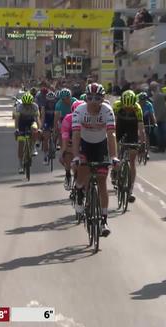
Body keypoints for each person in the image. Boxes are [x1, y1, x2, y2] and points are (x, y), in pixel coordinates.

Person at [72, 83, 117, 237]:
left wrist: (114, 157)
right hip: (84, 144)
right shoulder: (79, 111)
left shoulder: (107, 111)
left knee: (102, 181)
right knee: (83, 174)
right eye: (89, 97)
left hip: (101, 145)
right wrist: (76, 156)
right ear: (85, 98)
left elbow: (111, 135)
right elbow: (76, 135)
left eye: (97, 98)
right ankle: (79, 190)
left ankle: (104, 220)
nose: (93, 101)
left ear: (102, 99)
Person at [111, 90, 145, 203]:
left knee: (132, 160)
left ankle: (130, 190)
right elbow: (113, 125)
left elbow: (141, 128)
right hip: (120, 125)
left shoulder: (137, 108)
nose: (128, 110)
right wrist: (112, 141)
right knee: (115, 145)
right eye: (126, 108)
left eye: (130, 108)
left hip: (132, 127)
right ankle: (115, 169)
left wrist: (143, 143)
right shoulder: (117, 105)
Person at [13, 93, 40, 173]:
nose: (27, 106)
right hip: (22, 122)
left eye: (29, 104)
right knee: (21, 143)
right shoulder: (19, 107)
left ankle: (33, 147)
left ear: (32, 103)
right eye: (25, 104)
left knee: (34, 128)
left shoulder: (35, 106)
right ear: (23, 103)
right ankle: (20, 164)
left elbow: (37, 119)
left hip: (31, 121)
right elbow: (17, 119)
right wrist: (17, 129)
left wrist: (39, 129)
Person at [60, 100, 85, 189]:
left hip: (84, 138)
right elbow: (65, 138)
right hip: (71, 138)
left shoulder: (88, 118)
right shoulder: (67, 119)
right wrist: (63, 151)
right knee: (68, 154)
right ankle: (68, 173)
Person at [40, 91, 57, 165]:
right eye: (49, 101)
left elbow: (57, 117)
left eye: (52, 101)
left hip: (54, 120)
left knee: (56, 134)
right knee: (46, 138)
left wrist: (55, 128)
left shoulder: (56, 106)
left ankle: (54, 145)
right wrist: (41, 127)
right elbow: (43, 117)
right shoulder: (44, 106)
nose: (50, 103)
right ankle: (45, 155)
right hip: (47, 121)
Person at [138, 91, 156, 159]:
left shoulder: (149, 104)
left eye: (144, 100)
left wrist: (154, 123)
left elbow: (152, 115)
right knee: (138, 134)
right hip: (138, 119)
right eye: (141, 100)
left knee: (147, 136)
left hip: (145, 120)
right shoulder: (137, 104)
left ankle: (147, 152)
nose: (143, 102)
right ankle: (138, 146)